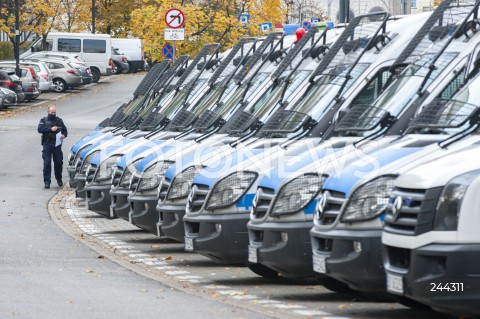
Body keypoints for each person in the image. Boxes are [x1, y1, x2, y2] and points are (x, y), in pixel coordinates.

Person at [37, 106, 68, 188]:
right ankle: (47, 181)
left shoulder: (59, 120)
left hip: (57, 144)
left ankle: (59, 179)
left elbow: (65, 131)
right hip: (47, 144)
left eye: (54, 112)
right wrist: (51, 129)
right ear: (48, 112)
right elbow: (40, 130)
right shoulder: (43, 120)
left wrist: (63, 135)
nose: (53, 114)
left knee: (58, 163)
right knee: (47, 163)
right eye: (52, 113)